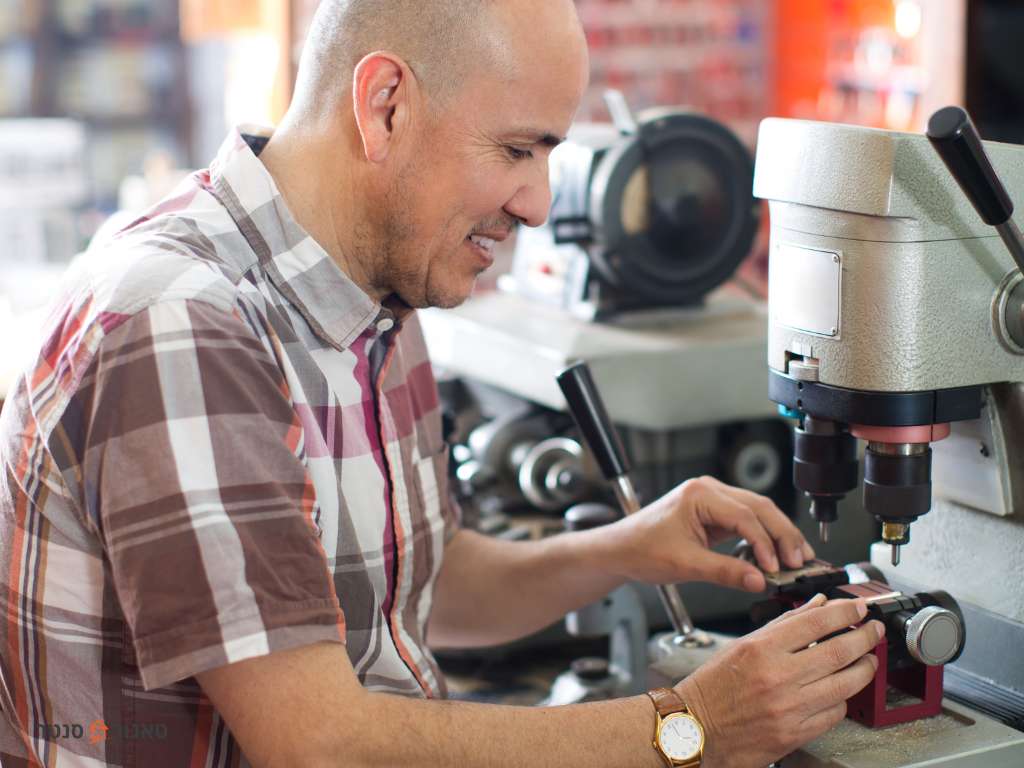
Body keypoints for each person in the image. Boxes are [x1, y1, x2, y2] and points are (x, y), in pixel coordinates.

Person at [0, 1, 883, 766]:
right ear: (385, 106)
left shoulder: (380, 283)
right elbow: (315, 745)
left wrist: (625, 546)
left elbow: (416, 588)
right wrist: (690, 730)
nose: (538, 202)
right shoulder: (186, 320)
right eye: (515, 148)